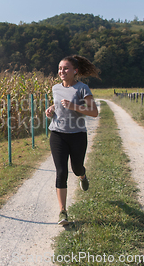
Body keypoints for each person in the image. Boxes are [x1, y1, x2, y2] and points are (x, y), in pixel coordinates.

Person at [45, 55, 100, 225]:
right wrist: (51, 109)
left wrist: (74, 106)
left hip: (77, 135)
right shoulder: (55, 88)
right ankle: (63, 212)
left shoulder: (82, 88)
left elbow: (94, 112)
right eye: (60, 68)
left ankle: (82, 176)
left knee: (76, 168)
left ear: (75, 71)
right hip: (57, 134)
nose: (62, 71)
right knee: (61, 172)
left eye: (66, 68)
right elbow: (58, 105)